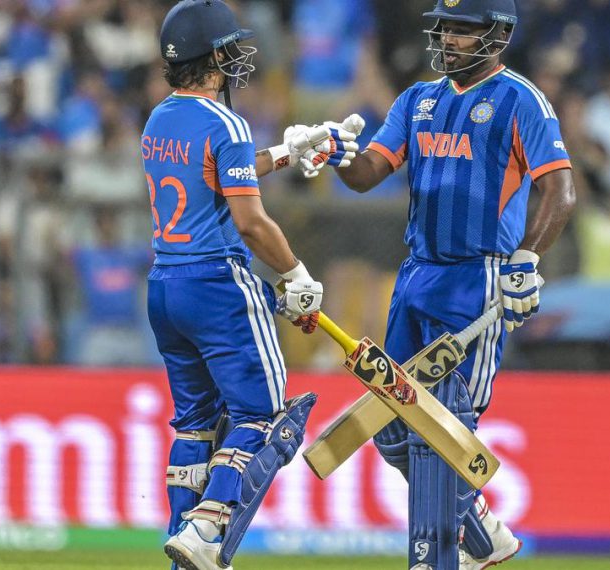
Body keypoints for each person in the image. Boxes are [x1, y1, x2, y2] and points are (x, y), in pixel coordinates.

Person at [318, 0, 577, 568]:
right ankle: (481, 531)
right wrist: (337, 153)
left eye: (463, 29)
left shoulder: (521, 100)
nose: (448, 39)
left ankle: (435, 557)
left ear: (498, 34)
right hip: (416, 275)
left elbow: (561, 192)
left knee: (447, 427)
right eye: (445, 28)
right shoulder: (418, 99)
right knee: (390, 425)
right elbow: (368, 174)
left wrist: (527, 259)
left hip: (477, 280)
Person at [143, 2, 361, 569]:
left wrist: (288, 152)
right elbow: (251, 223)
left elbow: (214, 171)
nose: (237, 60)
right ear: (212, 58)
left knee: (194, 426)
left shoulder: (159, 118)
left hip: (165, 285)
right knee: (261, 418)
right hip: (219, 283)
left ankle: (182, 541)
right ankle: (207, 527)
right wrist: (295, 274)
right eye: (229, 51)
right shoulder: (226, 122)